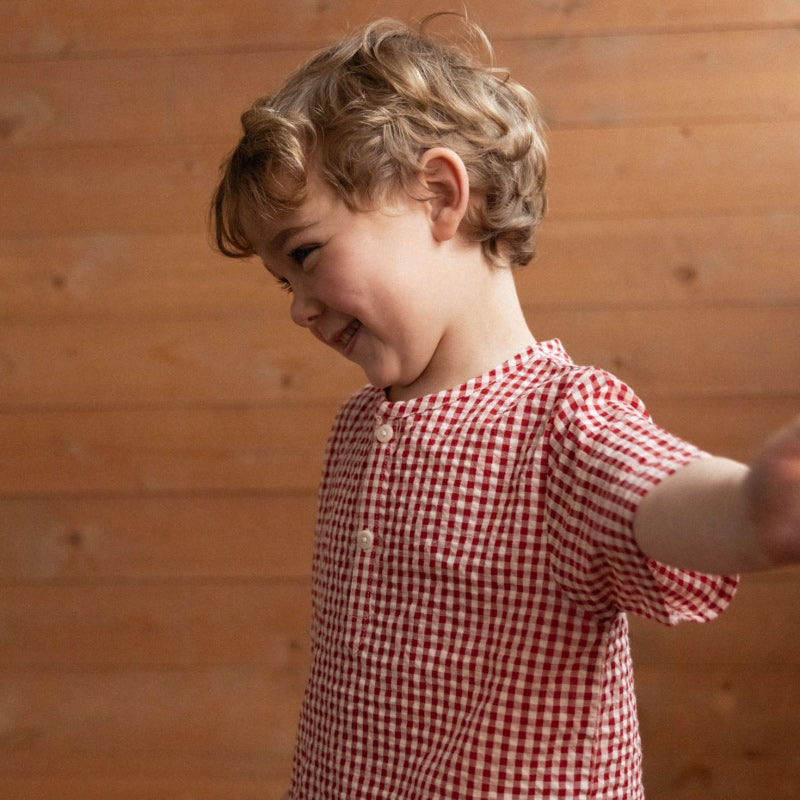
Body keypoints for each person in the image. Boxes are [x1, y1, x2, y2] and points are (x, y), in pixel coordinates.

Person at [210, 16, 800, 799]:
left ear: (442, 195)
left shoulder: (559, 426)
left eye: (308, 255)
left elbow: (662, 497)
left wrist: (754, 507)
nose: (298, 309)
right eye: (283, 282)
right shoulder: (361, 425)